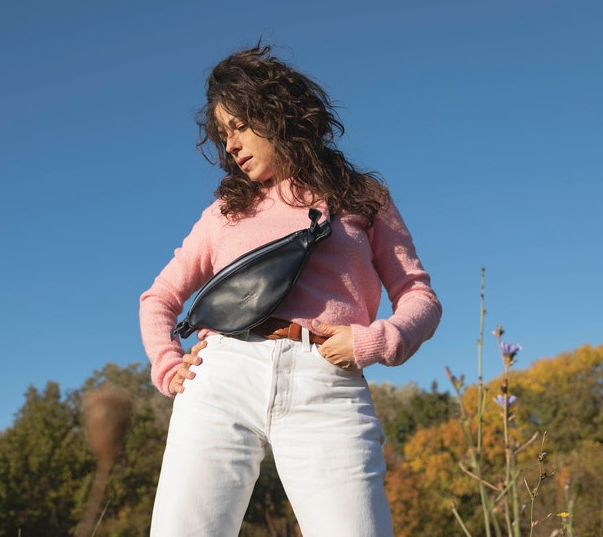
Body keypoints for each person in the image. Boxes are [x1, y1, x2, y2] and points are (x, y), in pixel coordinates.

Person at [139, 42, 442, 536]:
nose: (231, 145)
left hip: (328, 379)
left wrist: (374, 341)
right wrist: (169, 367)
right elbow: (159, 299)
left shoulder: (363, 198)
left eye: (240, 126)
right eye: (223, 134)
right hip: (222, 378)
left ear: (277, 113)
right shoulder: (223, 213)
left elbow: (419, 297)